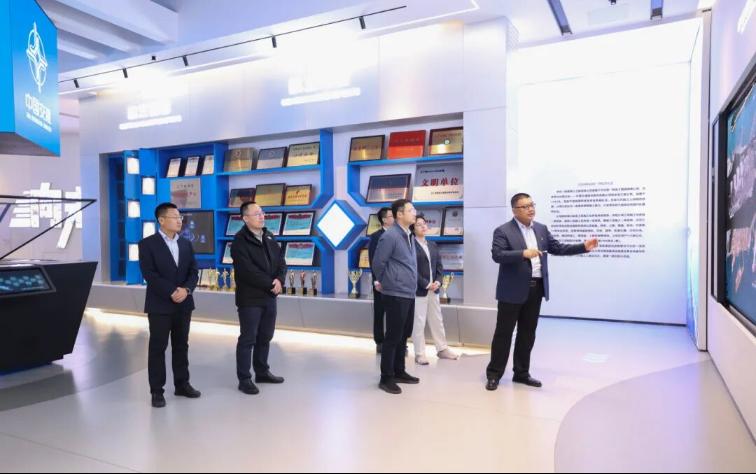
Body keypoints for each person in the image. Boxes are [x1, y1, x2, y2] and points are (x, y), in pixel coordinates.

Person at [485, 193, 599, 391]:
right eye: (525, 206)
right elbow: (498, 255)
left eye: (532, 205)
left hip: (536, 289)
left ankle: (521, 373)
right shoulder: (503, 231)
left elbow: (558, 248)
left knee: (527, 333)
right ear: (514, 210)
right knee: (504, 334)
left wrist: (583, 247)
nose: (531, 209)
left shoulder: (541, 229)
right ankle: (494, 375)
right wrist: (523, 253)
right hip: (511, 291)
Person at [138, 203, 201, 408]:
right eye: (175, 217)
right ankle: (157, 391)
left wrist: (186, 290)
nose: (179, 220)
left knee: (181, 345)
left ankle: (182, 384)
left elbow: (193, 272)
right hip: (160, 304)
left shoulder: (186, 243)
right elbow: (149, 274)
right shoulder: (147, 244)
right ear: (162, 220)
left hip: (184, 303)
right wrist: (171, 291)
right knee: (158, 347)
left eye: (180, 217)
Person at [231, 202, 287, 396]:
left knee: (265, 336)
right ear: (245, 218)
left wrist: (280, 280)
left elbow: (281, 262)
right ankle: (244, 379)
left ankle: (262, 372)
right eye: (256, 214)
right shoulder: (239, 241)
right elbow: (247, 271)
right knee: (248, 338)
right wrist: (271, 284)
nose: (261, 216)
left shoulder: (269, 236)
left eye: (262, 212)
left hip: (270, 296)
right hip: (250, 299)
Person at [372, 199, 420, 394]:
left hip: (408, 292)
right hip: (395, 292)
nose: (414, 212)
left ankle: (399, 371)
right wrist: (388, 282)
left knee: (403, 334)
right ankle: (386, 377)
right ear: (399, 214)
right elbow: (378, 263)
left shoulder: (409, 234)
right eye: (411, 210)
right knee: (392, 336)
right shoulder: (390, 235)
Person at [411, 214, 459, 365]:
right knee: (418, 322)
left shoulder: (432, 245)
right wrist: (426, 284)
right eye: (419, 224)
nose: (423, 226)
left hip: (434, 289)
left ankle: (442, 349)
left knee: (437, 320)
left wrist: (438, 281)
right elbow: (412, 269)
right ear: (413, 228)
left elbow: (439, 266)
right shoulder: (410, 245)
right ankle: (420, 354)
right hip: (419, 290)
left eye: (424, 224)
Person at [368, 207, 394, 354]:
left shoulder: (398, 234)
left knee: (394, 313)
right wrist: (377, 280)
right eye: (391, 216)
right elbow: (373, 259)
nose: (394, 218)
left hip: (395, 281)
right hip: (381, 281)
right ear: (384, 219)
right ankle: (379, 341)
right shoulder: (376, 236)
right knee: (379, 312)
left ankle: (394, 341)